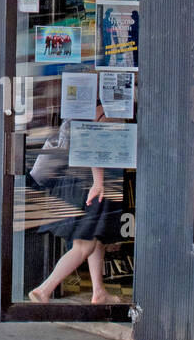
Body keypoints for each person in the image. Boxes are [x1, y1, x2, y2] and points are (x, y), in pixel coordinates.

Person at [28, 102, 125, 305]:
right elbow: (95, 145)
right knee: (84, 245)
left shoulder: (82, 108)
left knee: (93, 239)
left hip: (77, 181)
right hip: (92, 184)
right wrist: (99, 182)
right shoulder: (104, 111)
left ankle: (99, 291)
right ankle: (44, 289)